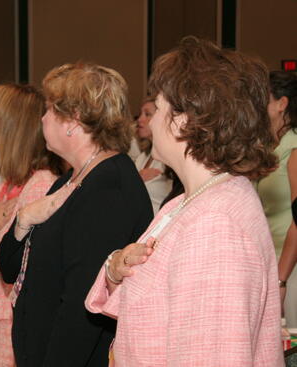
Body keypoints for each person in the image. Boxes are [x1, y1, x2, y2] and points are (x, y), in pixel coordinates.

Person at [86, 37, 282, 366]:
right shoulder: (188, 202)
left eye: (158, 107)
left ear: (184, 120)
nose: (147, 120)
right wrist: (115, 267)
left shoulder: (215, 226)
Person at [0, 63, 153, 367]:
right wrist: (23, 219)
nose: (42, 118)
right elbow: (9, 268)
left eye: (49, 110)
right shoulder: (68, 179)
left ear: (74, 120)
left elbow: (82, 311)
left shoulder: (109, 187)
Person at [0, 84, 62, 367]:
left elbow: (21, 273)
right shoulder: (10, 184)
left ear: (16, 128)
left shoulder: (41, 186)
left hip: (16, 323)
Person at [258, 71, 297, 325]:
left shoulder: (294, 148)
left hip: (292, 268)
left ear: (282, 104)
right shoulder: (270, 148)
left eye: (264, 99)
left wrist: (281, 280)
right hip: (270, 263)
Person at [134, 97, 172, 214]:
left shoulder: (169, 159)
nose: (140, 120)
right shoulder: (142, 157)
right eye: (140, 114)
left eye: (147, 114)